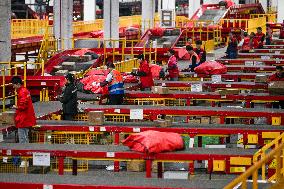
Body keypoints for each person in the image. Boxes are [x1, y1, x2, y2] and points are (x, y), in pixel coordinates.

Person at [11, 76, 36, 167]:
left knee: (23, 140)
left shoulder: (22, 92)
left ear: (18, 84)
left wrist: (15, 107)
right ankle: (27, 160)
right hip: (26, 119)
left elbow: (23, 106)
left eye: (14, 85)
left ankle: (25, 161)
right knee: (26, 139)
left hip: (23, 120)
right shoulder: (25, 91)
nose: (13, 87)